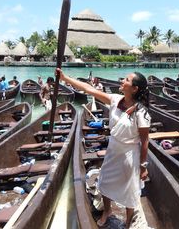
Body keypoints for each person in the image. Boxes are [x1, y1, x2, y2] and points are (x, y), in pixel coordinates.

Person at [56, 68, 151, 228]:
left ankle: (128, 222)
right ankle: (108, 211)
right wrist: (65, 78)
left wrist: (143, 166)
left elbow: (145, 140)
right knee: (104, 182)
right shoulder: (115, 99)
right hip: (113, 150)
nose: (122, 81)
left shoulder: (141, 113)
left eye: (127, 80)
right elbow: (89, 89)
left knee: (130, 190)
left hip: (129, 154)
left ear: (134, 88)